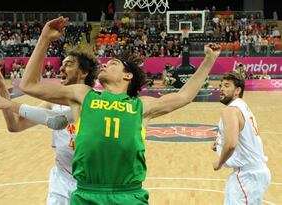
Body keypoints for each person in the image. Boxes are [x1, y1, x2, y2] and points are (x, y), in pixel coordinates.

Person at [19, 16, 221, 204]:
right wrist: (44, 38)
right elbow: (30, 85)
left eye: (113, 63)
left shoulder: (141, 106)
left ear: (127, 76)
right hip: (87, 193)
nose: (105, 64)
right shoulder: (83, 95)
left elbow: (184, 96)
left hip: (128, 195)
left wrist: (209, 61)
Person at [0, 48, 100, 204]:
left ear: (83, 72)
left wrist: (10, 104)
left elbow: (56, 120)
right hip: (62, 178)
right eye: (62, 64)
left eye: (69, 64)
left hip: (93, 181)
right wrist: (1, 90)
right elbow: (15, 125)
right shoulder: (52, 103)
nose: (61, 68)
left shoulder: (97, 101)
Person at [212, 72, 271, 204]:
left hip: (247, 176)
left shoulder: (231, 110)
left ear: (237, 90)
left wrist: (219, 162)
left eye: (227, 86)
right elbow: (242, 138)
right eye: (221, 85)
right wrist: (220, 144)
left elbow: (232, 144)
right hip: (255, 173)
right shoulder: (243, 106)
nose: (221, 88)